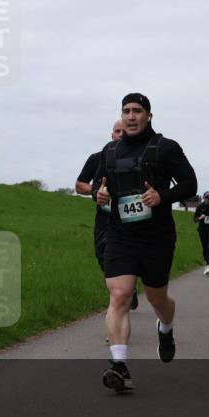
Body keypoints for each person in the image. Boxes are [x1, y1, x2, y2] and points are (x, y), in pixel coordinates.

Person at [94, 93, 198, 392]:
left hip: (157, 236)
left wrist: (162, 196)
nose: (130, 116)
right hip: (120, 234)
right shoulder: (110, 151)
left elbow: (190, 184)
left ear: (149, 115)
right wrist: (98, 195)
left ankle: (165, 328)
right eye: (125, 111)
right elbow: (99, 187)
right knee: (120, 295)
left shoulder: (166, 148)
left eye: (137, 111)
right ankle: (120, 366)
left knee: (157, 299)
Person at [76, 119, 139, 311]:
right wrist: (97, 191)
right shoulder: (97, 158)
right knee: (104, 259)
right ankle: (126, 291)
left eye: (123, 131)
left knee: (125, 263)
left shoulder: (139, 158)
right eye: (117, 131)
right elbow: (79, 185)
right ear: (111, 135)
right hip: (105, 221)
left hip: (131, 221)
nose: (120, 135)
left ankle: (121, 297)